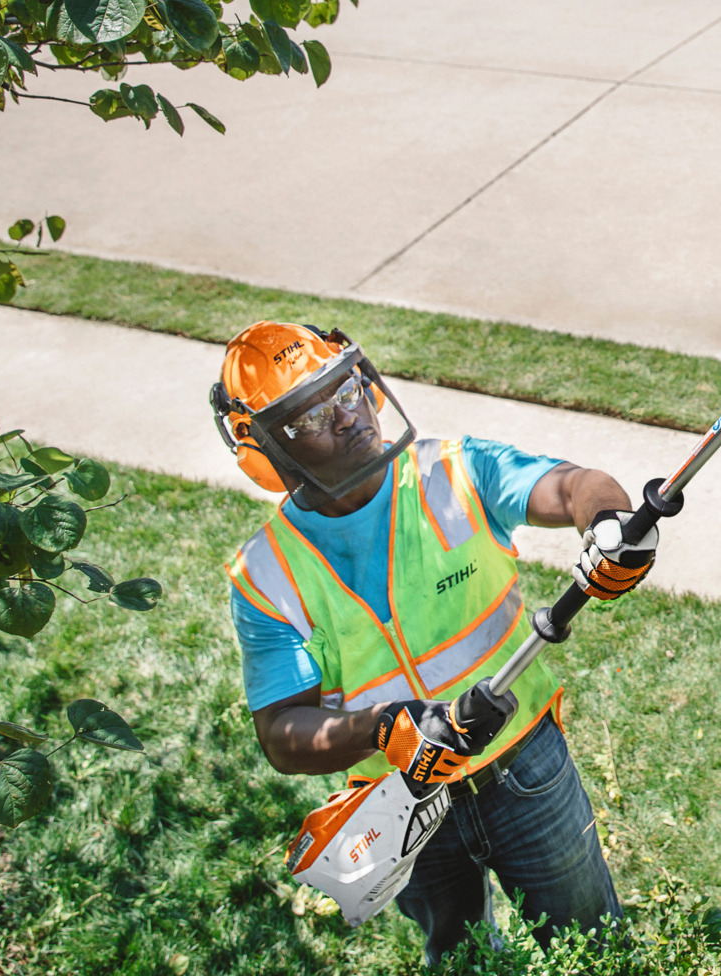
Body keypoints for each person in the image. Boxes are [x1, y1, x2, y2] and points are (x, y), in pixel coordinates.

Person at [212, 322, 656, 962]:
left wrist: (610, 521)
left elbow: (572, 485)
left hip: (526, 770)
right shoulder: (266, 576)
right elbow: (282, 732)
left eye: (348, 389)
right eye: (312, 416)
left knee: (598, 951)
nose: (349, 417)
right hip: (404, 806)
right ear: (266, 451)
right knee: (461, 960)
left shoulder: (455, 473)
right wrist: (384, 728)